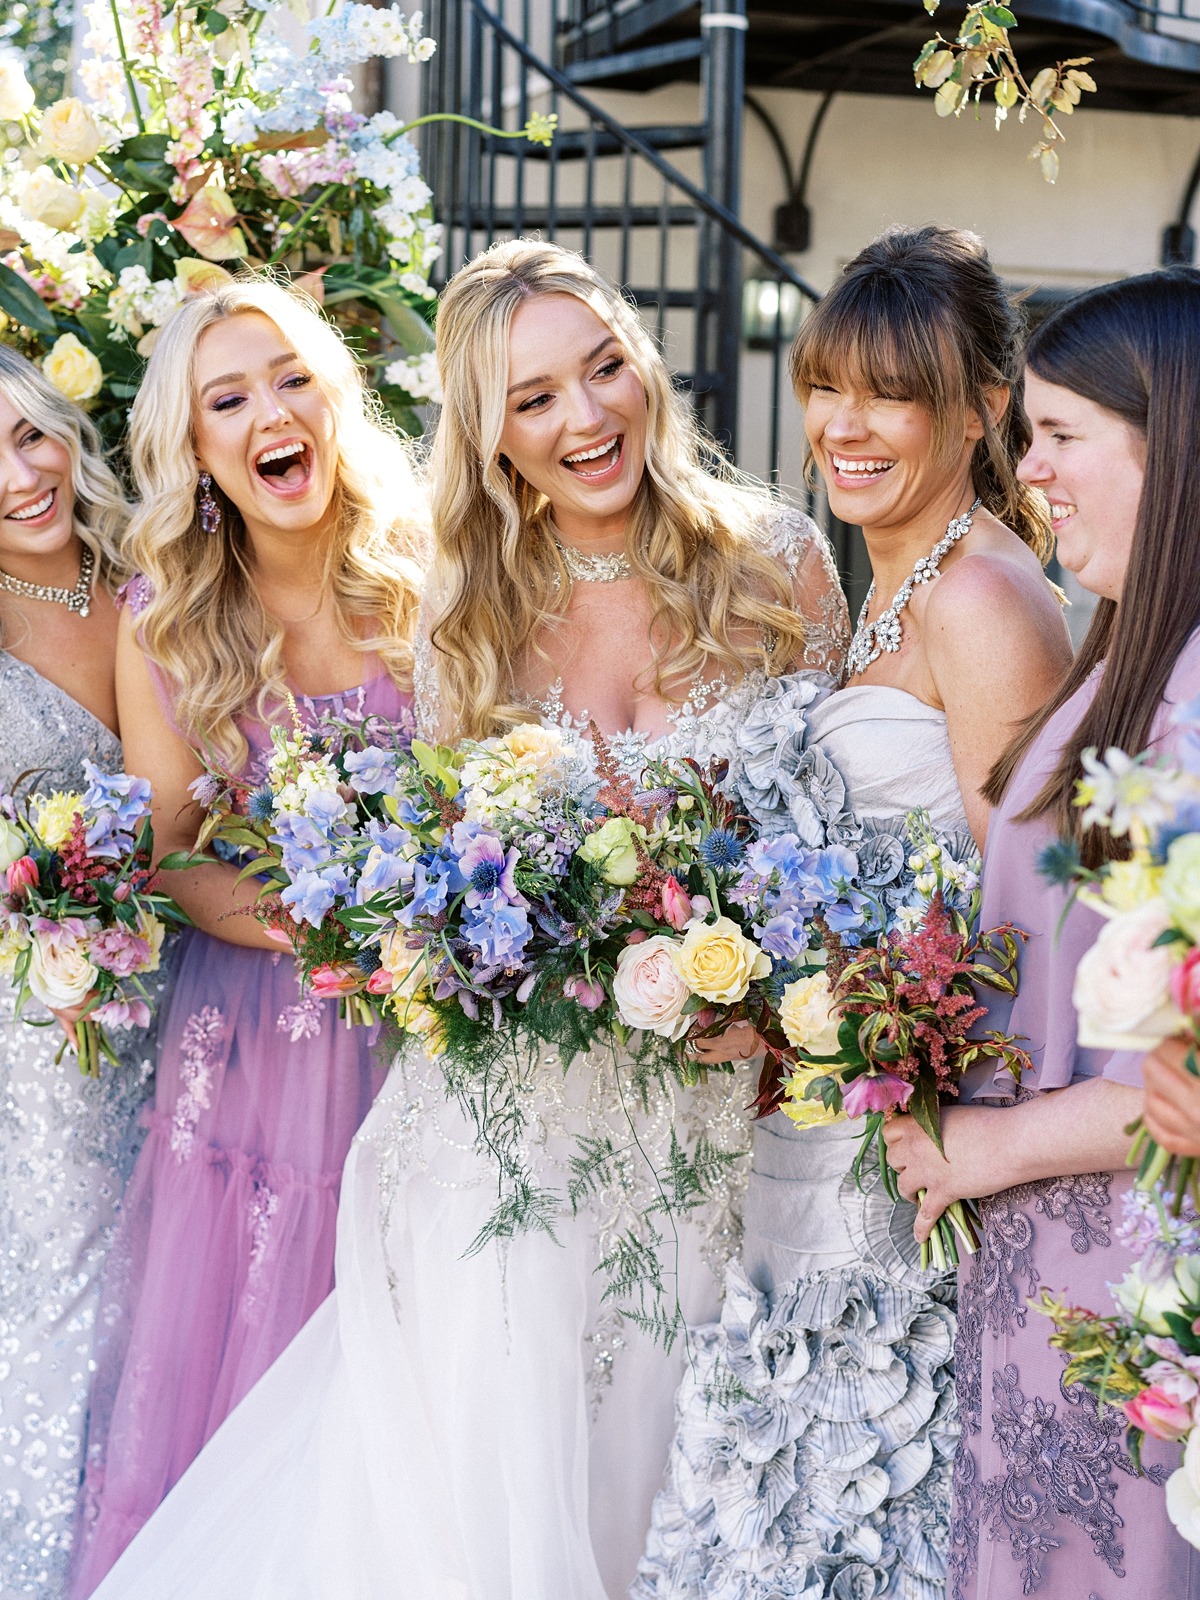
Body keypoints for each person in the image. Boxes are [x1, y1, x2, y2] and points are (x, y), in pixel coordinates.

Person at [79, 237, 849, 1600]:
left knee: (685, 1472)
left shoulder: (780, 564)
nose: (584, 416)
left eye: (604, 367)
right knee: (486, 1489)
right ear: (488, 434)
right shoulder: (467, 607)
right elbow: (443, 858)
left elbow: (836, 844)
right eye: (533, 397)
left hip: (719, 1117)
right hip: (511, 1123)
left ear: (646, 362)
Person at [635, 226, 1072, 1599]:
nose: (840, 425)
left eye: (887, 393)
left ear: (982, 408)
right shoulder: (887, 576)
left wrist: (856, 1035)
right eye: (825, 385)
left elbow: (1030, 932)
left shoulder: (988, 602)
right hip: (811, 1122)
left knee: (859, 1490)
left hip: (895, 1156)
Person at [68, 277, 425, 1595]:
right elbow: (165, 859)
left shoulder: (432, 574)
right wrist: (317, 930)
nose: (270, 413)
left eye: (290, 379)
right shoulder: (166, 620)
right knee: (254, 1358)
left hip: (425, 1030)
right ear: (200, 451)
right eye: (230, 399)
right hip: (257, 1049)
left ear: (333, 402)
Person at [882, 268, 1200, 1599]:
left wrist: (986, 1145)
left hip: (1135, 1289)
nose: (1035, 471)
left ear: (1173, 443)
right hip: (1055, 1273)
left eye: (1065, 437)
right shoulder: (1132, 653)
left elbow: (1176, 1078)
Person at [0, 348, 167, 1598]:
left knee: (167, 1282)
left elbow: (183, 805)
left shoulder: (147, 585)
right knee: (60, 1291)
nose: (22, 476)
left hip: (180, 987)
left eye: (32, 437)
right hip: (36, 1023)